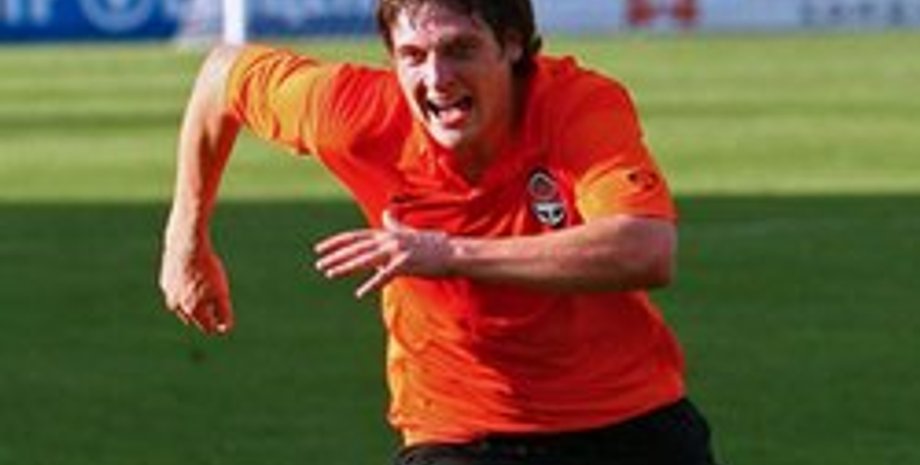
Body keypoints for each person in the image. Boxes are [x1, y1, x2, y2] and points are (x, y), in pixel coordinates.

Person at [158, 0, 721, 463]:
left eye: (459, 50)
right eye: (412, 56)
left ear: (512, 45)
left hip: (629, 419)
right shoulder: (354, 114)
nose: (436, 79)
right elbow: (222, 74)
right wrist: (185, 240)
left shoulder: (576, 105)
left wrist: (448, 254)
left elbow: (645, 249)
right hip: (462, 430)